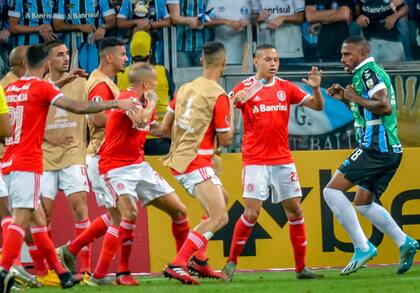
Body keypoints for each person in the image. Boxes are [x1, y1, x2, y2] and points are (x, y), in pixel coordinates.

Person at [0, 43, 134, 293]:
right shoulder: (41, 87)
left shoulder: (11, 89)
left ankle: (60, 274)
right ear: (46, 64)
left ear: (26, 64)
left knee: (32, 219)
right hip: (28, 160)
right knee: (20, 220)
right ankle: (5, 269)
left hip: (7, 160)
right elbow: (79, 107)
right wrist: (115, 103)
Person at [220, 44, 324, 282]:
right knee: (252, 213)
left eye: (276, 59)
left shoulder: (286, 87)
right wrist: (236, 103)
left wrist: (316, 89)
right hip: (255, 160)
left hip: (282, 159)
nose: (274, 64)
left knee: (295, 210)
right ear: (255, 62)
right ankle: (231, 263)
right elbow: (226, 119)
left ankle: (301, 268)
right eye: (268, 59)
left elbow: (318, 106)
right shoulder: (244, 88)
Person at [86, 62, 189, 286]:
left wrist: (180, 133)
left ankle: (181, 264)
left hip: (138, 165)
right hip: (115, 168)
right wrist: (152, 102)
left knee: (179, 210)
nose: (156, 86)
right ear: (145, 83)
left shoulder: (141, 102)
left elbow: (150, 127)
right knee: (129, 214)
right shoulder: (129, 98)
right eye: (154, 82)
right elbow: (141, 119)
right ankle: (122, 272)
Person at [324, 35, 418, 276]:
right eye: (342, 54)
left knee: (332, 191)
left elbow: (384, 105)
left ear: (363, 53)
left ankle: (362, 247)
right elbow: (367, 112)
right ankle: (405, 242)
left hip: (376, 148)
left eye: (348, 54)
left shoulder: (368, 73)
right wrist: (346, 100)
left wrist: (352, 96)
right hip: (388, 150)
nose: (342, 58)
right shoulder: (366, 75)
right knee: (363, 203)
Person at [161, 41, 234, 285]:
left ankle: (199, 260)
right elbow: (225, 139)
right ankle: (178, 263)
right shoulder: (219, 95)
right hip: (196, 160)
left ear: (201, 60)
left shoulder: (183, 88)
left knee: (223, 198)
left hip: (180, 158)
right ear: (224, 63)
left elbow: (164, 129)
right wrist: (232, 110)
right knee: (220, 217)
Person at [40, 40, 91, 278]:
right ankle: (54, 270)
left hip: (73, 154)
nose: (66, 58)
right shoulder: (38, 86)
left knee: (81, 209)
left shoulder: (81, 83)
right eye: (60, 55)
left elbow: (93, 112)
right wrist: (49, 137)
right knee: (43, 214)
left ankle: (86, 269)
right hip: (45, 157)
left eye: (67, 53)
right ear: (48, 61)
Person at [117, 31, 175, 155]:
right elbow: (173, 98)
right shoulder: (162, 72)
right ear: (150, 51)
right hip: (161, 138)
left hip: (131, 138)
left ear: (130, 52)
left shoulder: (121, 75)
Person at [52, 0, 116, 73]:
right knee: (73, 76)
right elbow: (57, 25)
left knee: (96, 74)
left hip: (95, 44)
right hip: (72, 45)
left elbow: (112, 20)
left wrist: (103, 27)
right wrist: (78, 27)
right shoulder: (63, 1)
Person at [166, 0, 214, 67]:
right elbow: (175, 18)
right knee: (183, 76)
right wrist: (192, 21)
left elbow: (213, 14)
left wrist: (202, 22)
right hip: (181, 47)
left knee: (203, 77)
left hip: (203, 47)